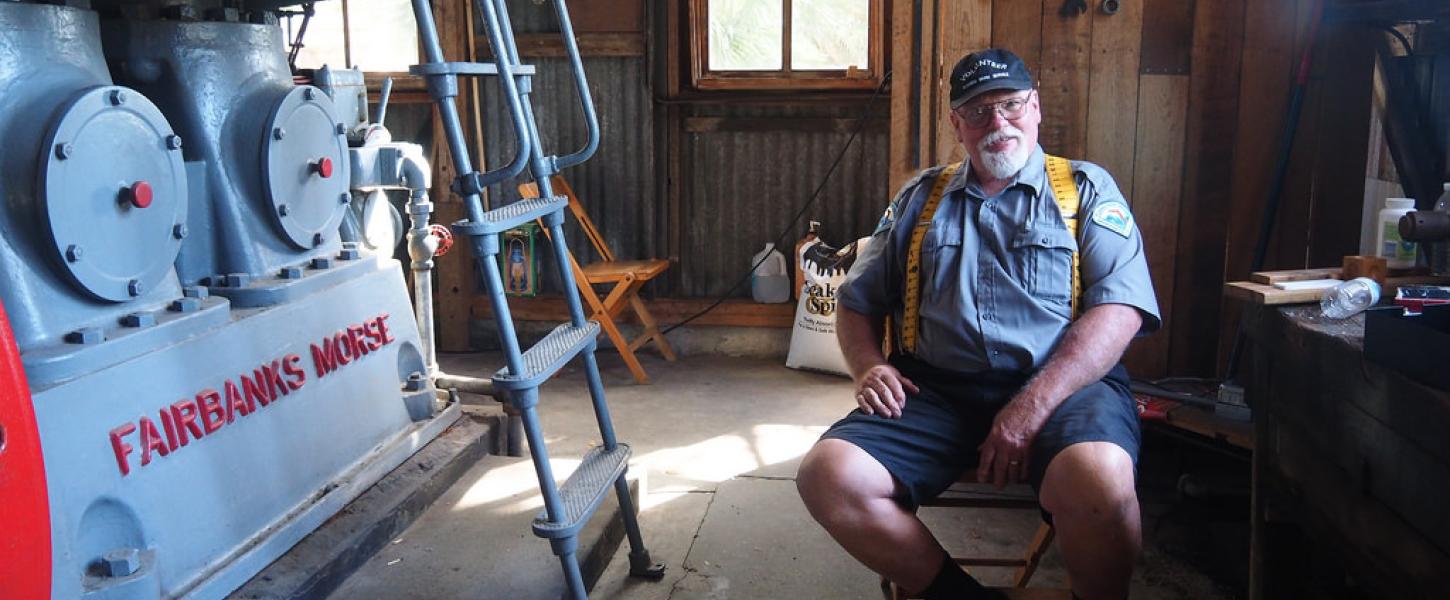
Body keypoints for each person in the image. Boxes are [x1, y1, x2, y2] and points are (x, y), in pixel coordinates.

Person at [795, 48, 1160, 600]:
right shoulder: (920, 198)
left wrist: (1029, 408)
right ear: (956, 124)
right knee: (829, 476)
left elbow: (1121, 310)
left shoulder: (1085, 190)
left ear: (1035, 107)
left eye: (1011, 105)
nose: (998, 123)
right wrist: (868, 366)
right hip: (936, 390)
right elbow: (857, 300)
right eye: (978, 111)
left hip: (1064, 389)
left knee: (1101, 484)